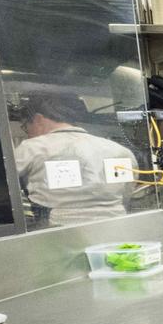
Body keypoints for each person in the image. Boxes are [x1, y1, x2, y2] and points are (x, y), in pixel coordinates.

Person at [13, 92, 138, 226]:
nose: (28, 133)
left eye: (26, 127)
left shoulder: (32, 147)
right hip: (117, 226)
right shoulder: (119, 150)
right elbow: (126, 193)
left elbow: (4, 188)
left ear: (38, 119)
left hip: (57, 231)